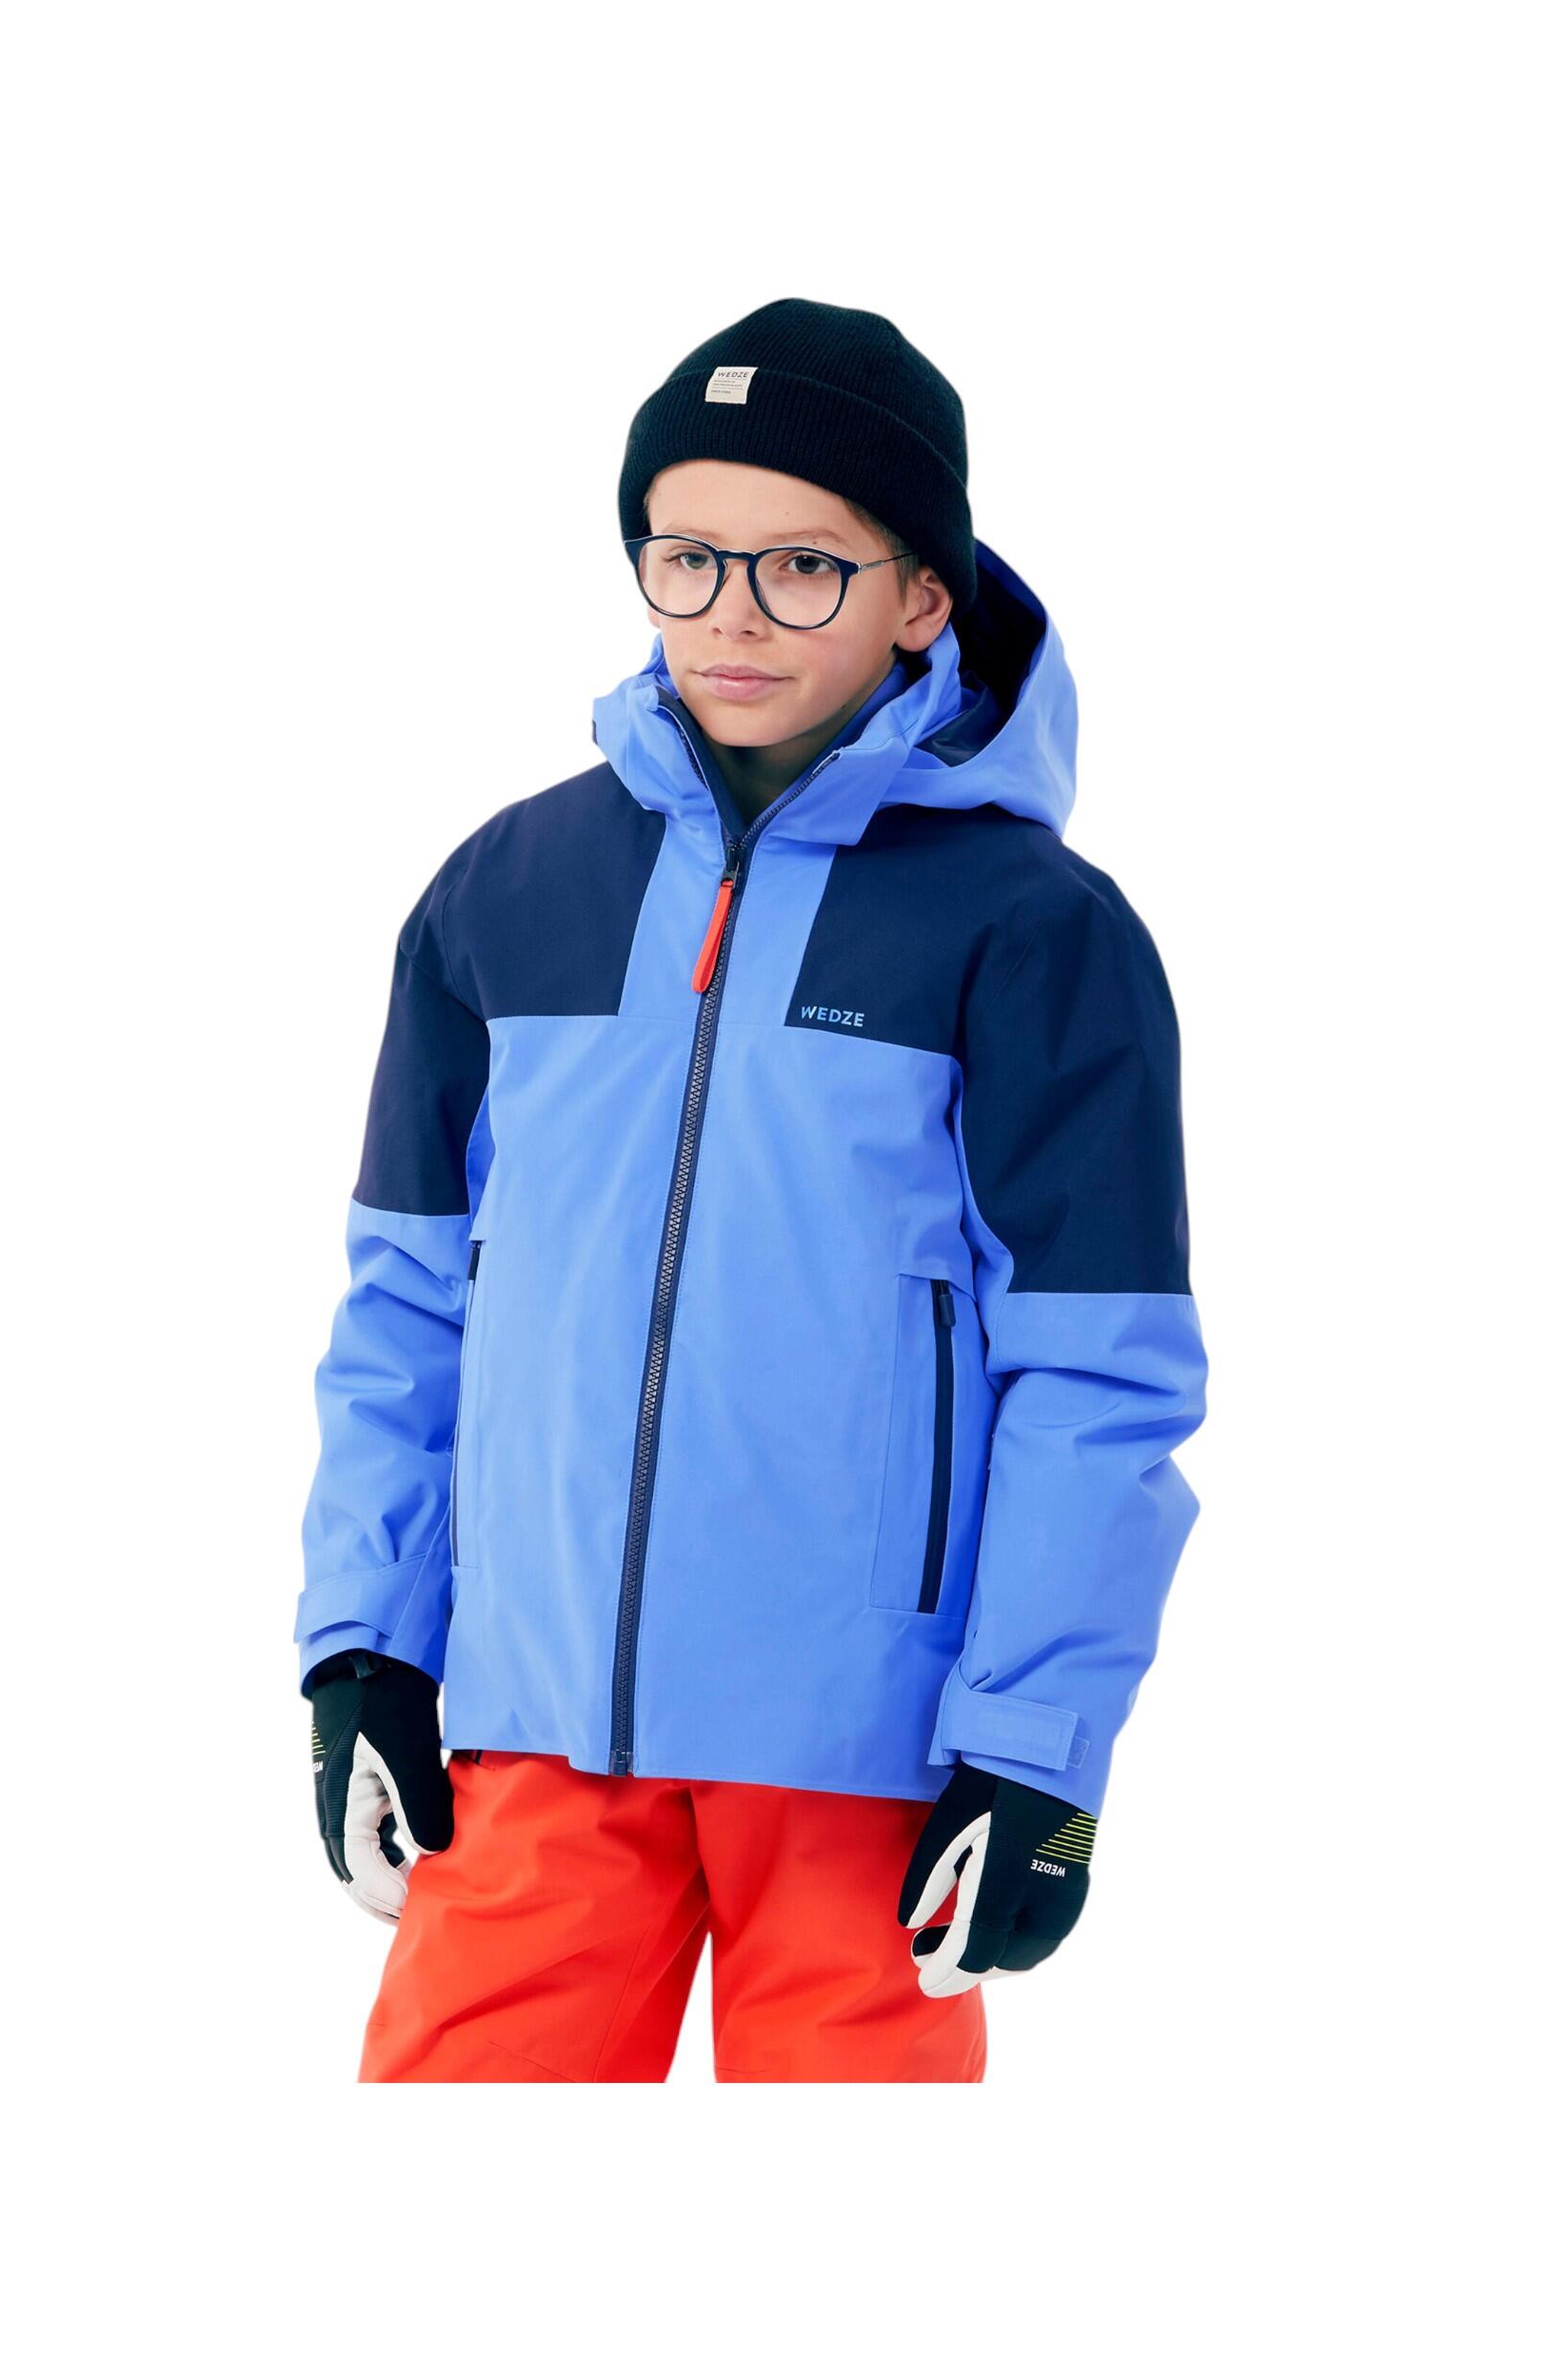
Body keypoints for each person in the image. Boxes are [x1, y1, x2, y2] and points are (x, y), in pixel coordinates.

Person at [297, 297, 1207, 2082]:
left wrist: (1035, 1747)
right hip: (537, 1731)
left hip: (869, 1765)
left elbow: (1100, 1374)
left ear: (922, 594)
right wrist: (365, 1648)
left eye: (801, 567)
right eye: (687, 557)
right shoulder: (506, 893)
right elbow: (405, 1309)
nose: (730, 614)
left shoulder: (1032, 932)